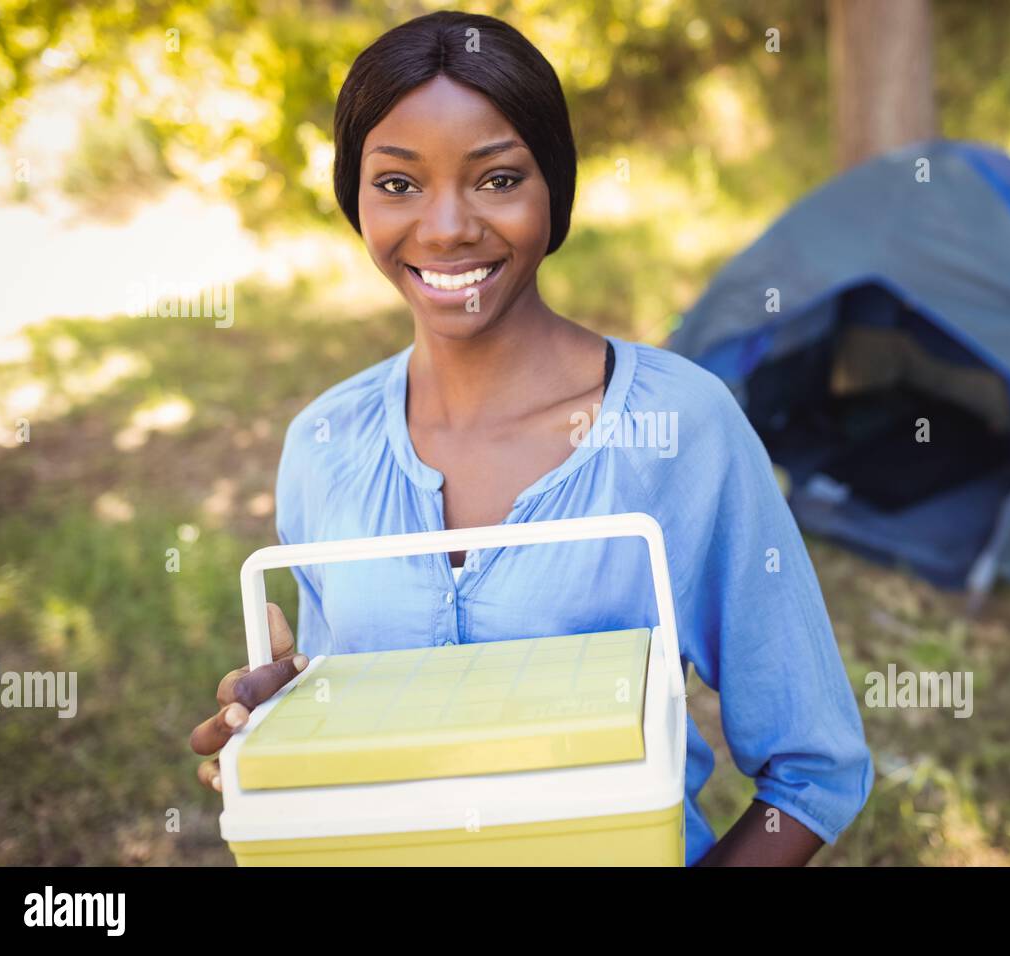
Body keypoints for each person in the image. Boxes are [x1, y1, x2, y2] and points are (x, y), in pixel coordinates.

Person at [189, 9, 873, 866]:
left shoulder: (682, 430)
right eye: (398, 184)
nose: (445, 229)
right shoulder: (322, 445)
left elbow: (813, 772)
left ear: (556, 191)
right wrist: (281, 718)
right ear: (353, 201)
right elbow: (360, 717)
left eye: (497, 179)